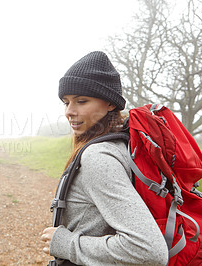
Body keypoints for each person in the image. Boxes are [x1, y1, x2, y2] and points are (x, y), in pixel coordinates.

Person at [40, 51, 169, 265]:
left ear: (110, 104)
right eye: (66, 102)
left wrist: (65, 242)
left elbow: (149, 250)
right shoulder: (124, 145)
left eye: (81, 101)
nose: (69, 112)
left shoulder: (99, 156)